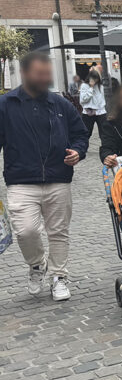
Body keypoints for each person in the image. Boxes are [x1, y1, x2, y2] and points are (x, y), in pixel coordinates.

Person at [0, 51, 88, 301]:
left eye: (48, 74)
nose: (45, 78)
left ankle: (59, 276)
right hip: (20, 180)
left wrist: (78, 152)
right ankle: (37, 264)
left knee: (58, 232)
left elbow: (80, 134)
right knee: (25, 231)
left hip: (58, 178)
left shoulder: (60, 104)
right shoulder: (5, 105)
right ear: (26, 73)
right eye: (40, 73)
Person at [78, 70, 106, 137]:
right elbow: (83, 100)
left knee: (104, 134)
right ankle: (82, 147)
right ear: (90, 77)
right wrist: (91, 88)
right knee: (86, 133)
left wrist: (103, 108)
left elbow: (101, 99)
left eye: (96, 79)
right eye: (94, 78)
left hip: (100, 112)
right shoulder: (84, 86)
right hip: (88, 112)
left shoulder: (101, 86)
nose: (95, 81)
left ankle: (106, 147)